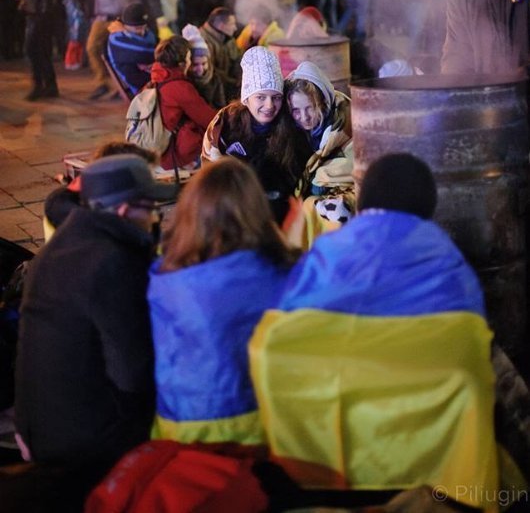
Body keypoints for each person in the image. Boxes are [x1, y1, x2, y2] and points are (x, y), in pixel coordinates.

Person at [249, 153, 499, 504]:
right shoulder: (444, 255)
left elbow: (283, 315)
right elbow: (468, 336)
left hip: (317, 418)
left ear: (365, 200)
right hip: (426, 432)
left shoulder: (330, 247)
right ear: (427, 203)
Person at [15, 155, 176, 506]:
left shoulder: (62, 243)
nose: (154, 220)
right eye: (150, 210)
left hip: (39, 424)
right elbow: (134, 374)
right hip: (86, 443)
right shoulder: (111, 261)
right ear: (124, 212)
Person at [148, 157, 298, 445]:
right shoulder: (272, 275)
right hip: (255, 426)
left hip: (176, 426)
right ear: (256, 210)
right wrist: (289, 235)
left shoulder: (164, 278)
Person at [202, 46, 311, 225]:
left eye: (276, 97)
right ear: (246, 98)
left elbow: (299, 174)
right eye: (260, 97)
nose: (269, 106)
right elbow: (209, 174)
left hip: (279, 209)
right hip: (234, 206)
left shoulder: (292, 123)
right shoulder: (224, 124)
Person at [284, 62, 354, 246]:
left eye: (309, 108)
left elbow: (356, 172)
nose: (304, 117)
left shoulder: (349, 125)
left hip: (344, 197)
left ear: (323, 102)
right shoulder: (291, 132)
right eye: (296, 111)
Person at [150, 35, 216, 171]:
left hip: (156, 152)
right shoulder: (180, 88)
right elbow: (209, 119)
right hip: (172, 157)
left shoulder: (157, 78)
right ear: (182, 63)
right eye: (189, 57)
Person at [14, 0, 59, 100]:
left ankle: (39, 85)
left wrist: (42, 14)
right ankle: (49, 85)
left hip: (39, 16)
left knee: (32, 49)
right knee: (41, 50)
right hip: (33, 12)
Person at [107, 2, 156, 96]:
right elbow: (148, 52)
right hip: (141, 88)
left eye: (144, 27)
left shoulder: (146, 33)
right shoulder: (117, 38)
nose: (141, 32)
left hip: (151, 79)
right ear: (124, 25)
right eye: (137, 28)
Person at [200, 6, 242, 101]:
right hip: (213, 95)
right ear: (221, 26)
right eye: (232, 24)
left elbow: (237, 59)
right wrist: (234, 82)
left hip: (228, 89)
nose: (235, 28)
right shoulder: (203, 42)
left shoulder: (227, 37)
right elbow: (212, 73)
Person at [182, 23, 225, 108]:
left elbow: (221, 106)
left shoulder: (215, 79)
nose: (200, 69)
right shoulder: (184, 81)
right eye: (195, 64)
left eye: (204, 63)